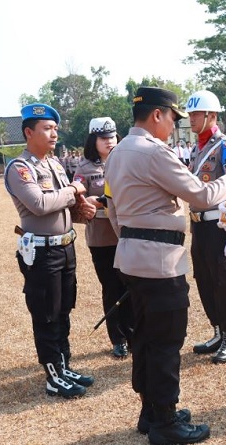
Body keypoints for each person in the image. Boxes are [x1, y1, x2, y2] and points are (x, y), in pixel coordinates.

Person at [104, 86, 226, 444]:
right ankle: (165, 421)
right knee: (165, 341)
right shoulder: (154, 152)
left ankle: (150, 411)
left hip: (132, 257)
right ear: (157, 115)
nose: (174, 125)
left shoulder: (118, 152)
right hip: (160, 262)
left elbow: (113, 209)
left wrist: (132, 239)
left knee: (144, 338)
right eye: (172, 118)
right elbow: (201, 194)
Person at [4, 103, 97, 398]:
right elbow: (40, 204)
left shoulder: (54, 165)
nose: (54, 133)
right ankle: (53, 377)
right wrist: (74, 190)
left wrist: (82, 209)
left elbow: (64, 205)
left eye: (55, 128)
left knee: (63, 311)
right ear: (29, 133)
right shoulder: (21, 168)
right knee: (46, 315)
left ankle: (64, 366)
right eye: (47, 128)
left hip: (66, 248)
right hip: (43, 254)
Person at [185, 89, 226, 364]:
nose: (191, 119)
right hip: (198, 224)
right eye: (190, 114)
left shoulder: (225, 146)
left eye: (196, 114)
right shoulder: (197, 147)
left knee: (223, 280)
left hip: (219, 225)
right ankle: (218, 331)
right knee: (204, 278)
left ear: (211, 115)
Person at [73, 117, 133, 359]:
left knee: (130, 286)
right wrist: (93, 203)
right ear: (93, 140)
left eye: (112, 136)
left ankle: (133, 333)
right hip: (102, 237)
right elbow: (79, 201)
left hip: (126, 234)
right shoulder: (84, 168)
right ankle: (118, 339)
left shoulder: (126, 160)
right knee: (111, 288)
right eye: (103, 138)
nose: (109, 141)